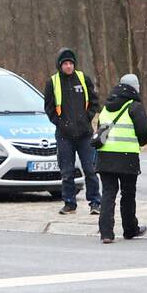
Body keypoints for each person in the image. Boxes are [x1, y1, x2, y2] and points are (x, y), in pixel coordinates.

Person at [94, 73, 147, 244]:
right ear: (136, 88)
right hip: (127, 158)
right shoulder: (134, 107)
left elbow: (100, 130)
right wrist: (140, 141)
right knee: (127, 195)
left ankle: (106, 233)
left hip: (105, 157)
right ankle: (129, 229)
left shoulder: (106, 107)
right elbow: (143, 133)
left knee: (108, 194)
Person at [44, 48, 101, 215]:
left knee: (90, 170)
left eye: (71, 63)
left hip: (85, 134)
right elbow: (49, 107)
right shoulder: (52, 82)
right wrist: (60, 123)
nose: (68, 66)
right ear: (60, 66)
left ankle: (95, 202)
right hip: (64, 135)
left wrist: (87, 118)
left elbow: (94, 101)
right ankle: (69, 203)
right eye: (65, 64)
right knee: (67, 171)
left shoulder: (83, 79)